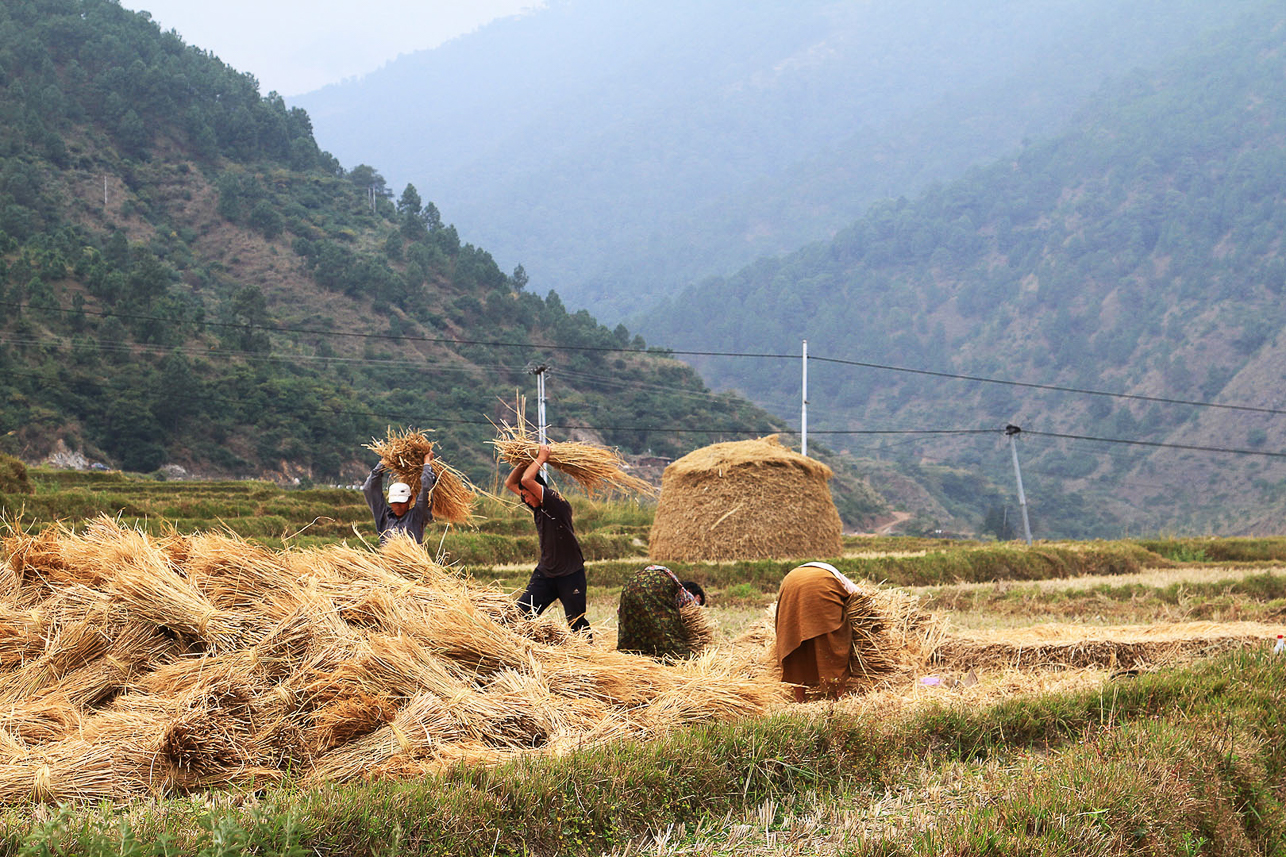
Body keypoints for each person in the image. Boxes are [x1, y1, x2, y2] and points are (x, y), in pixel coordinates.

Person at [505, 444, 590, 634]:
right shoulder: (536, 506)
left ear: (537, 490)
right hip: (546, 573)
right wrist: (523, 461)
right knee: (520, 615)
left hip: (570, 573)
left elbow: (527, 479)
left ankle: (588, 655)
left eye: (526, 495)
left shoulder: (554, 501)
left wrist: (541, 458)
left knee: (576, 623)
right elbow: (510, 484)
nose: (525, 500)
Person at [774, 561, 860, 702]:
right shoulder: (842, 580)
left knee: (795, 638)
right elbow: (859, 598)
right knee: (833, 639)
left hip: (790, 582)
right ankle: (839, 695)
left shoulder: (814, 570)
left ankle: (799, 697)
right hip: (821, 585)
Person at [616, 564, 707, 659]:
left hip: (631, 584)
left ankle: (628, 656)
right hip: (657, 583)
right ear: (690, 590)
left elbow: (621, 611)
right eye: (699, 599)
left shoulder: (650, 574)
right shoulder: (680, 591)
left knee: (632, 638)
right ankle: (681, 660)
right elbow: (691, 602)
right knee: (670, 637)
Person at [362, 451, 436, 545]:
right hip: (387, 559)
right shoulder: (384, 516)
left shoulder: (417, 516)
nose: (398, 507)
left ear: (409, 499)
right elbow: (368, 489)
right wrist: (382, 464)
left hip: (411, 559)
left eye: (401, 503)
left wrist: (426, 463)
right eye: (394, 503)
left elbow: (426, 489)